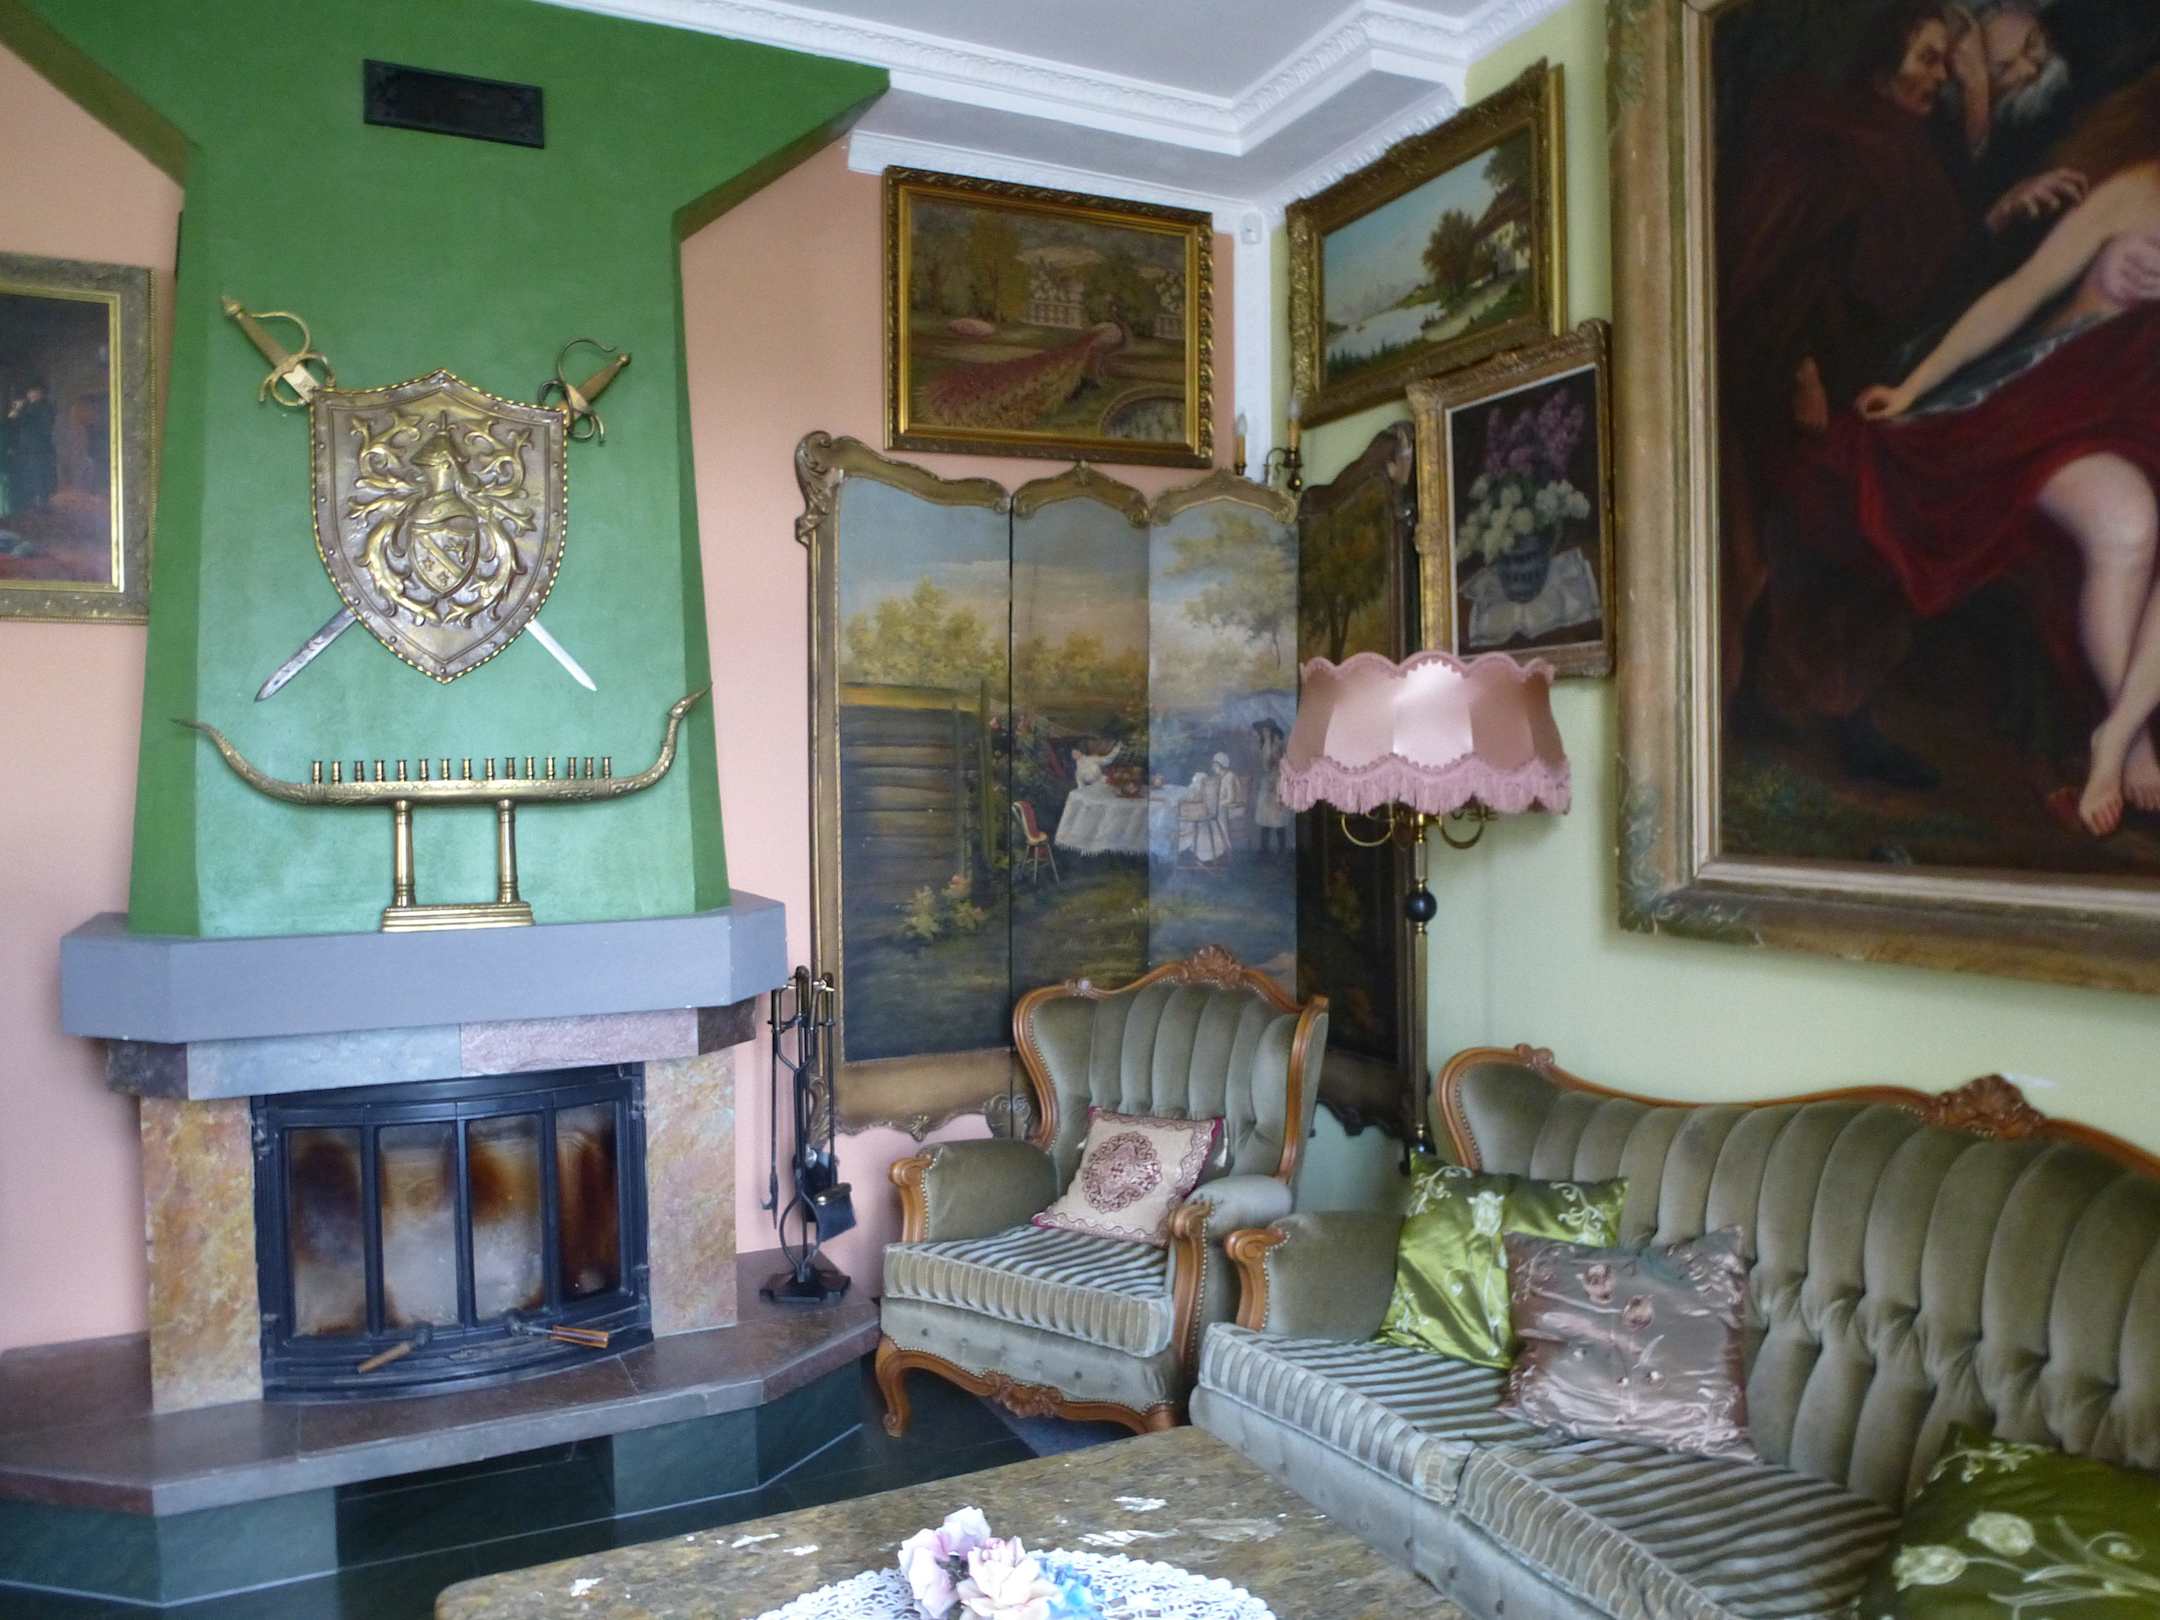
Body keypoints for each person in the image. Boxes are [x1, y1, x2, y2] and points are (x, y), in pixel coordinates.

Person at [1719, 1, 2086, 786]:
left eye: (1946, 65)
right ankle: (1777, 700)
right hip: (1797, 380)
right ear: (1884, 60)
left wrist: (1996, 217)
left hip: (1869, 383)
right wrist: (1801, 372)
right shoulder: (1832, 139)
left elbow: (1923, 281)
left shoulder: (1910, 148)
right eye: (1927, 59)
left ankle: (1842, 708)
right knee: (1812, 530)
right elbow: (1789, 270)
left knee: (1885, 527)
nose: (1938, 78)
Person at [1844, 65, 2160, 834]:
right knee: (2127, 522)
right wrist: (1915, 386)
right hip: (2056, 401)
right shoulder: (2134, 192)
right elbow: (2019, 294)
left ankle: (2120, 731)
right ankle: (2136, 740)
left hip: (2146, 416)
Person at [1251, 719, 1291, 854]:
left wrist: (1268, 741)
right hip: (1268, 784)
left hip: (1277, 783)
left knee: (1279, 819)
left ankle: (1281, 849)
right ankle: (1264, 849)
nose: (1263, 733)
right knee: (1265, 819)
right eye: (1263, 731)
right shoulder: (1265, 745)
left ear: (1270, 731)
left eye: (1266, 730)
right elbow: (1265, 765)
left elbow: (1267, 764)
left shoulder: (1277, 744)